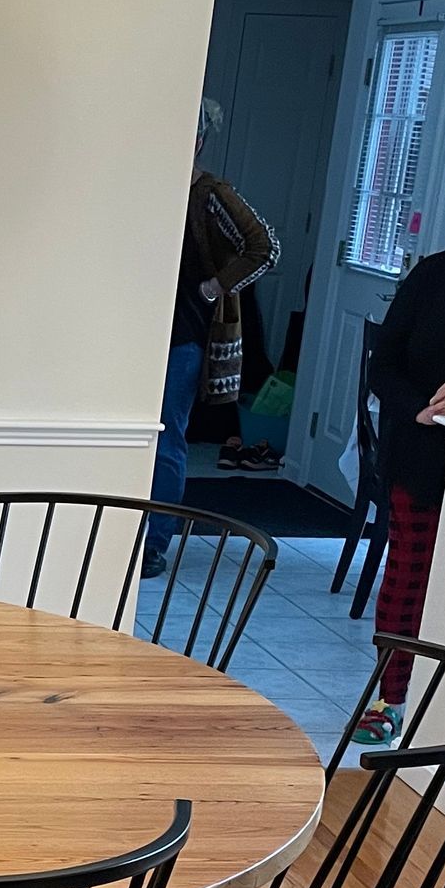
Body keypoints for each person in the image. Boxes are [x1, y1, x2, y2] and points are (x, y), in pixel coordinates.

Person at [356, 133, 445, 744]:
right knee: (408, 577)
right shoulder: (434, 275)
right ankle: (390, 699)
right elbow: (382, 366)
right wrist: (423, 408)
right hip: (421, 452)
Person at [147, 99, 279, 574]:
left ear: (199, 141)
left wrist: (213, 287)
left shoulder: (208, 193)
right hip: (134, 334)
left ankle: (153, 544)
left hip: (182, 333)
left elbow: (265, 248)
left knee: (165, 439)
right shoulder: (144, 186)